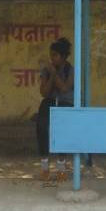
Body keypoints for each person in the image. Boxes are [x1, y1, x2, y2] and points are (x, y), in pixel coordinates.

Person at [36, 36, 75, 181]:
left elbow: (65, 88)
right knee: (42, 126)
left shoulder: (70, 70)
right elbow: (44, 92)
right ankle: (45, 166)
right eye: (50, 55)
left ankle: (61, 167)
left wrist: (54, 73)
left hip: (66, 102)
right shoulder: (47, 70)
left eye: (55, 55)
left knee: (63, 132)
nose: (51, 58)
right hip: (50, 101)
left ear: (63, 57)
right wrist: (51, 74)